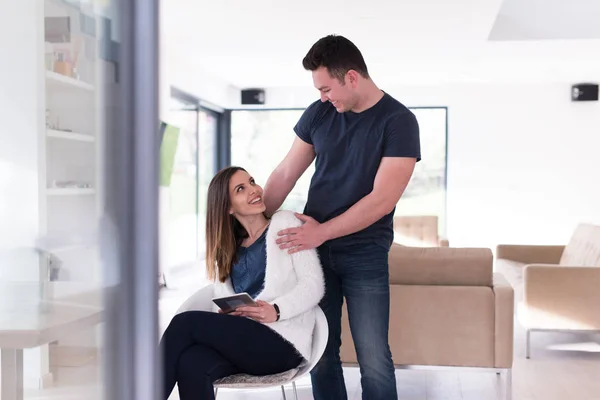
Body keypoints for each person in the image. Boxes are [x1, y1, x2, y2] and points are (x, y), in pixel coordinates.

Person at [262, 34, 421, 400]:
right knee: (321, 351)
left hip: (365, 251)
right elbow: (287, 172)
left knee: (373, 356)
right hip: (312, 253)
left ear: (351, 77)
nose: (322, 97)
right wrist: (255, 227)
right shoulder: (320, 112)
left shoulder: (399, 122)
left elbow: (382, 200)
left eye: (326, 88)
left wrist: (322, 233)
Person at [160, 166, 325, 400]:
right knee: (191, 362)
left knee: (184, 324)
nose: (254, 190)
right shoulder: (228, 250)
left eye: (251, 181)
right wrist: (228, 315)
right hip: (245, 344)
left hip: (282, 344)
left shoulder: (285, 223)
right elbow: (223, 302)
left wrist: (276, 311)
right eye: (241, 189)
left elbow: (313, 284)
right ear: (228, 207)